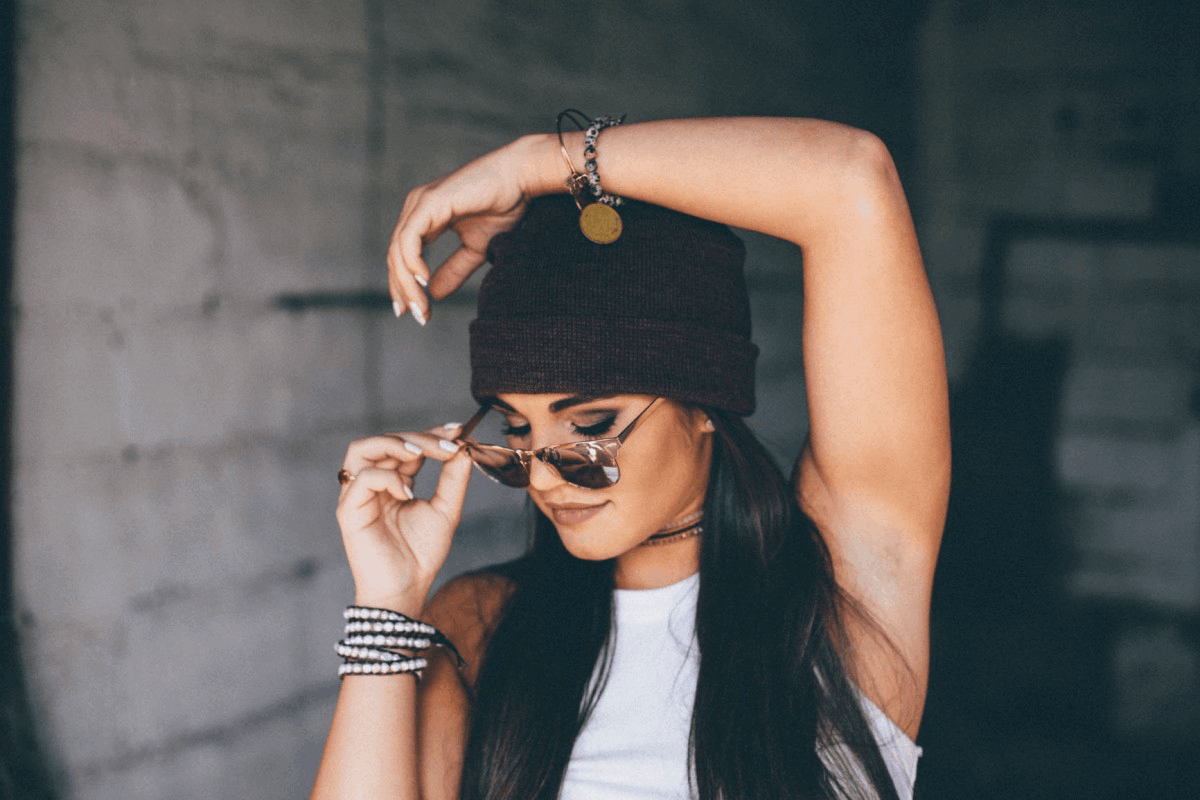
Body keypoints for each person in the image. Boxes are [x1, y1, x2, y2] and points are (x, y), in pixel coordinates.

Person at [311, 115, 950, 800]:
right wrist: (386, 603)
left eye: (591, 427)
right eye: (515, 431)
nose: (543, 477)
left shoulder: (838, 596)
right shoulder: (485, 622)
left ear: (704, 404)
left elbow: (849, 180)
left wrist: (533, 164)